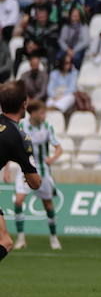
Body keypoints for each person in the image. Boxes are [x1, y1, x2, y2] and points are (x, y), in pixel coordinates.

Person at [10, 98, 62, 251]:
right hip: (25, 169)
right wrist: (7, 168)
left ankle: (53, 237)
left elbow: (59, 148)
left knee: (48, 205)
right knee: (18, 201)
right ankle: (21, 238)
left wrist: (52, 158)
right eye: (41, 112)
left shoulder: (47, 127)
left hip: (43, 170)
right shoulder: (22, 126)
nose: (44, 115)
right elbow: (10, 145)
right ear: (32, 113)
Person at [0, 82, 43, 264]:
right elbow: (34, 183)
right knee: (5, 242)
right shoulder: (19, 136)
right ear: (24, 104)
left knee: (5, 240)